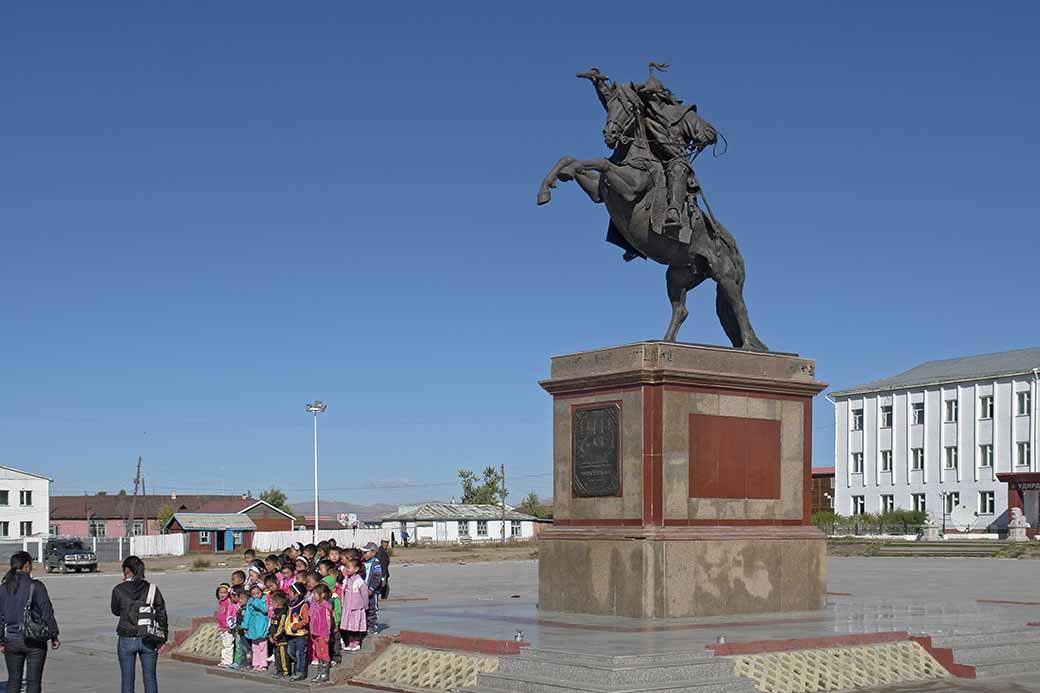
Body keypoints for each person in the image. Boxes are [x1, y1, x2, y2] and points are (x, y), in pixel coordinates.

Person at [0, 551, 59, 693]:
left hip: (11, 640)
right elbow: (47, 612)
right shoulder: (36, 586)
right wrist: (53, 635)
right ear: (27, 566)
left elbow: (0, 617)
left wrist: (1, 640)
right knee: (33, 682)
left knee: (13, 681)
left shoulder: (3, 588)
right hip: (35, 640)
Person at [112, 555, 166, 693]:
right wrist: (162, 638)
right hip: (148, 637)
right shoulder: (152, 589)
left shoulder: (118, 589)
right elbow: (161, 614)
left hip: (126, 637)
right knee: (150, 679)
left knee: (127, 681)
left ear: (126, 570)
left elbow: (116, 611)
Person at [341, 558, 368, 652]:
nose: (347, 570)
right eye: (346, 568)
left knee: (355, 627)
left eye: (349, 568)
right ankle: (350, 643)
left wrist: (365, 606)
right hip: (347, 608)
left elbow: (364, 594)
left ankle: (356, 643)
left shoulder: (359, 581)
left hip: (356, 609)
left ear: (356, 569)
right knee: (349, 627)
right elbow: (343, 592)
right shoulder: (346, 579)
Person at [308, 584, 333, 683]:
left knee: (323, 654)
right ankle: (319, 673)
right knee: (318, 654)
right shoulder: (314, 604)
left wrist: (327, 635)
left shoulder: (326, 607)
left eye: (315, 593)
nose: (313, 595)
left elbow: (328, 622)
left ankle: (324, 674)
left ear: (322, 595)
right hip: (315, 633)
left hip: (322, 635)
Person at [285, 583, 310, 681]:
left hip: (300, 634)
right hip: (291, 634)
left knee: (300, 653)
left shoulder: (303, 605)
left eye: (291, 592)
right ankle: (298, 667)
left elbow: (306, 620)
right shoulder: (291, 604)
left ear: (297, 594)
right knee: (291, 652)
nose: (289, 594)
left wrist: (297, 625)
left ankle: (300, 672)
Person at [244, 584, 270, 672]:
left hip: (262, 625)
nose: (256, 596)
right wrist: (245, 626)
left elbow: (265, 610)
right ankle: (256, 663)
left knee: (262, 646)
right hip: (253, 627)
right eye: (253, 594)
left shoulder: (265, 599)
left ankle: (263, 664)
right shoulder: (250, 601)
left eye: (258, 593)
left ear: (262, 592)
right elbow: (247, 614)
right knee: (254, 647)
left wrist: (256, 602)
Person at [267, 592, 291, 679]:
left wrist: (275, 637)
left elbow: (281, 628)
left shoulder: (283, 614)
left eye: (272, 602)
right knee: (277, 657)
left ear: (278, 604)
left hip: (281, 640)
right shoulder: (275, 613)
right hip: (274, 640)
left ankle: (285, 671)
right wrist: (270, 635)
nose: (271, 604)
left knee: (283, 657)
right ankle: (279, 670)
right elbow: (271, 626)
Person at [361, 543, 382, 633]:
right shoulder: (363, 563)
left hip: (371, 592)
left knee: (372, 608)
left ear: (373, 553)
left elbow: (377, 578)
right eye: (363, 552)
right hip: (362, 590)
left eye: (366, 552)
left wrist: (372, 588)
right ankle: (364, 625)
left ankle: (373, 626)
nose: (364, 554)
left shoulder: (376, 564)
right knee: (364, 608)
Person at [215, 583, 237, 668]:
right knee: (224, 644)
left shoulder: (228, 602)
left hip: (228, 628)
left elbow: (230, 615)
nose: (222, 595)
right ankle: (224, 660)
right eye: (220, 592)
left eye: (224, 593)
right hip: (222, 627)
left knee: (228, 644)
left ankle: (228, 661)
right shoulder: (221, 602)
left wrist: (229, 625)